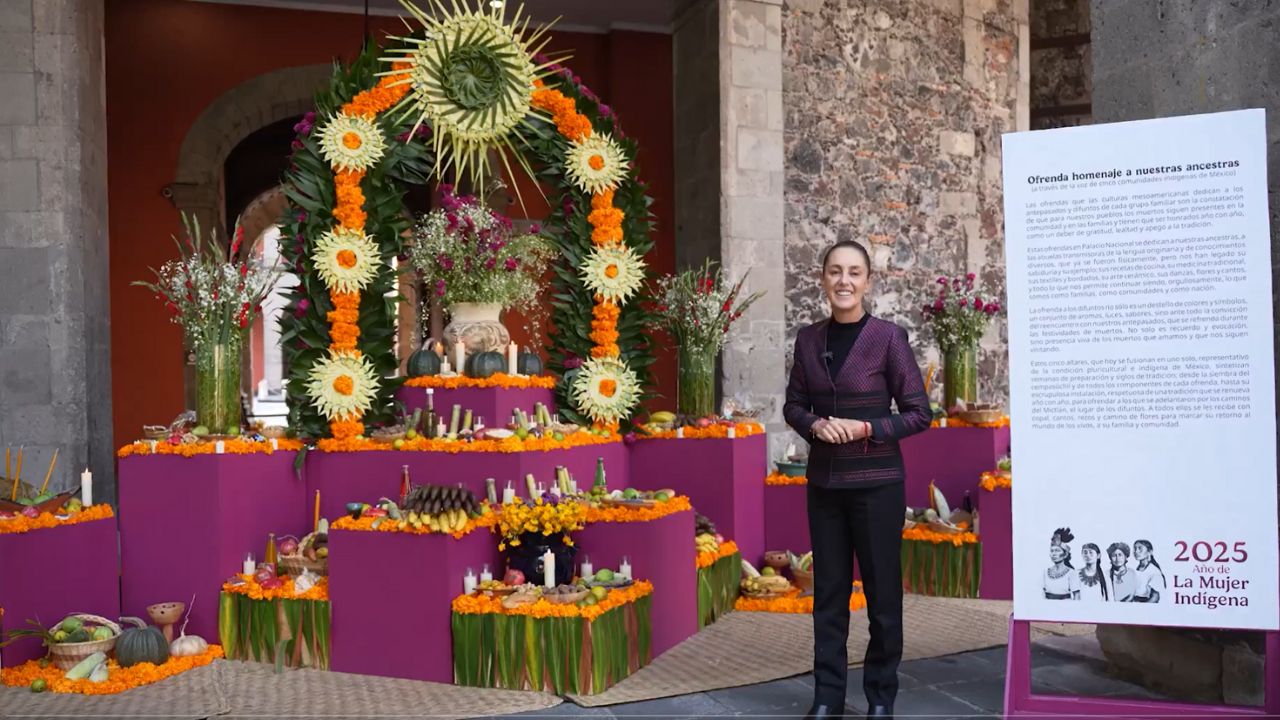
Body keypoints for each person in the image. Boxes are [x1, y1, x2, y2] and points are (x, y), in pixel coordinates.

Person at [783, 240, 932, 720]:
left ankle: (880, 699)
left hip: (877, 485)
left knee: (883, 599)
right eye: (834, 271)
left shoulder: (889, 338)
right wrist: (814, 426)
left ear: (868, 281)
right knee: (828, 597)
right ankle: (828, 697)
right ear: (823, 279)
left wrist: (868, 427)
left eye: (853, 272)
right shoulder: (808, 340)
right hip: (825, 485)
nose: (843, 281)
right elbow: (793, 405)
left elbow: (918, 414)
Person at [1043, 528, 1080, 599]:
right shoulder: (1045, 572)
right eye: (1052, 551)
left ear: (1065, 554)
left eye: (1057, 550)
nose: (1054, 554)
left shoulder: (1072, 573)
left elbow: (1077, 596)